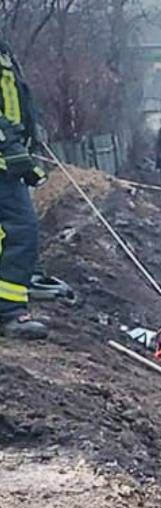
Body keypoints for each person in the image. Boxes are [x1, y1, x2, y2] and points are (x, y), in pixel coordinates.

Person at [0, 36, 47, 340]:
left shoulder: (5, 51)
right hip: (5, 157)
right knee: (21, 228)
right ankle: (10, 311)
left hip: (8, 158)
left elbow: (16, 101)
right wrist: (13, 149)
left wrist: (31, 133)